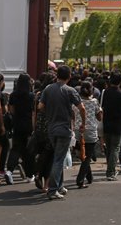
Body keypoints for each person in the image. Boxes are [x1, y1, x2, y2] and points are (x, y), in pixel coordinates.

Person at [37, 65, 84, 200]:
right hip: (64, 128)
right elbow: (82, 108)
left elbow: (40, 106)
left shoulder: (48, 89)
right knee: (58, 159)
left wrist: (51, 112)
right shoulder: (70, 90)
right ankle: (53, 190)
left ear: (57, 75)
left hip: (51, 128)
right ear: (69, 77)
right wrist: (83, 124)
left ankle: (59, 186)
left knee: (59, 157)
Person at [100, 73, 121, 181]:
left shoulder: (106, 93)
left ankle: (110, 169)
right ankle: (110, 172)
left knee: (109, 147)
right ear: (119, 82)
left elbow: (102, 107)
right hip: (118, 124)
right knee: (115, 148)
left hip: (107, 123)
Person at [5, 73, 35, 182]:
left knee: (16, 148)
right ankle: (30, 174)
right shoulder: (31, 96)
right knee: (28, 150)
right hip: (27, 125)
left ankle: (9, 171)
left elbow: (11, 110)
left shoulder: (13, 95)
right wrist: (33, 127)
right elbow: (33, 113)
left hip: (17, 123)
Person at [73, 80, 101, 188]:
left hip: (77, 131)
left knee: (83, 155)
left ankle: (89, 177)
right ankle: (80, 179)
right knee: (87, 156)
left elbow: (72, 115)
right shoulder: (94, 102)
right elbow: (99, 117)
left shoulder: (76, 102)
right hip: (90, 131)